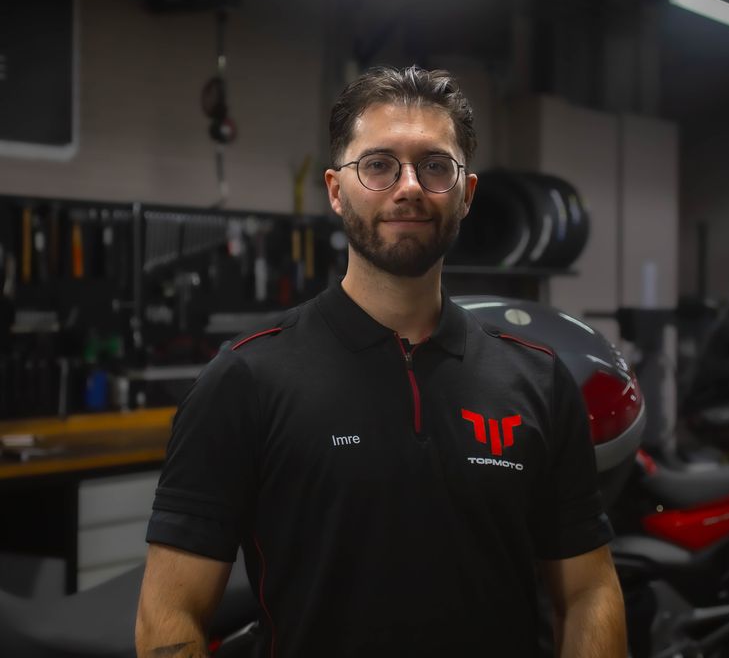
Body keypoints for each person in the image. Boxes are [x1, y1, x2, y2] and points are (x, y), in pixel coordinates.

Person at [135, 65, 627, 657]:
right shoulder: (245, 379)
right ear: (336, 189)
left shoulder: (539, 381)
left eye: (436, 166)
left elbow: (589, 591)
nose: (409, 186)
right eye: (378, 165)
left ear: (467, 194)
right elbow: (171, 613)